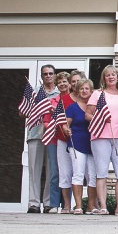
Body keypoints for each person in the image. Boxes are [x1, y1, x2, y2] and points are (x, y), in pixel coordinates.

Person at [86, 65, 118, 216]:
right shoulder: (97, 94)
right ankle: (103, 207)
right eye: (108, 75)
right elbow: (88, 115)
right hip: (100, 137)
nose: (111, 77)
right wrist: (100, 119)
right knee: (101, 172)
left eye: (113, 74)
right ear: (104, 78)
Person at [20, 64, 59, 213]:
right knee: (34, 170)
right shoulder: (35, 92)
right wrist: (32, 109)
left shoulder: (59, 93)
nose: (48, 76)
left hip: (52, 136)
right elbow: (22, 113)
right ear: (42, 76)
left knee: (51, 170)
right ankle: (33, 203)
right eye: (45, 74)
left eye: (50, 73)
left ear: (54, 75)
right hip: (35, 134)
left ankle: (48, 202)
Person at [43, 71, 76, 214]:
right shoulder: (53, 102)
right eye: (60, 82)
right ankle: (54, 203)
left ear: (69, 84)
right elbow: (46, 122)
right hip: (54, 139)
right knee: (56, 172)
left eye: (65, 81)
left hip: (72, 138)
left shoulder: (75, 99)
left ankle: (68, 204)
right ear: (57, 84)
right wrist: (55, 127)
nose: (63, 84)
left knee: (72, 171)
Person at [64, 79, 98, 215]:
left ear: (91, 91)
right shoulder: (72, 107)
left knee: (93, 176)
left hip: (93, 144)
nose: (84, 91)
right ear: (77, 91)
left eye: (87, 89)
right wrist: (66, 130)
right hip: (76, 143)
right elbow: (65, 124)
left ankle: (91, 206)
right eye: (81, 89)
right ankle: (78, 206)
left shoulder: (95, 107)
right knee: (78, 174)